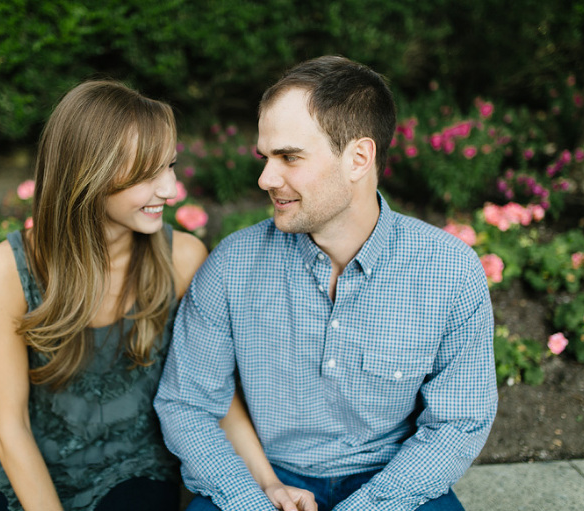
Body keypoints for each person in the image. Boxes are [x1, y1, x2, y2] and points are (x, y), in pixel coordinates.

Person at [154, 56, 498, 511]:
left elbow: (457, 423)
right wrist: (249, 498)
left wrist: (370, 505)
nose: (265, 178)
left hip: (392, 481)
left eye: (289, 157)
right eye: (265, 157)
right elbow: (187, 405)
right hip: (265, 477)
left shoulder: (449, 272)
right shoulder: (232, 267)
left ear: (358, 158)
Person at [0, 80, 315, 511]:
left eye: (170, 166)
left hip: (135, 472)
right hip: (35, 468)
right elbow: (11, 427)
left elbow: (213, 395)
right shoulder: (8, 270)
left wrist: (268, 484)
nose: (169, 189)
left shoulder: (182, 259)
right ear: (88, 175)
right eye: (147, 174)